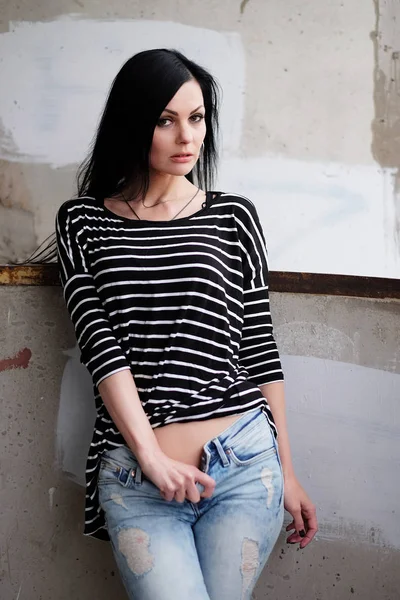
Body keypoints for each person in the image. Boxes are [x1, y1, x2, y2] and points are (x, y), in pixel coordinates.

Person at [54, 48, 318, 600]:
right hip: (139, 478)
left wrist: (288, 472)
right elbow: (101, 349)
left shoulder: (233, 216)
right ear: (134, 122)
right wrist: (151, 457)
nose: (186, 137)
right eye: (165, 119)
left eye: (196, 118)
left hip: (246, 467)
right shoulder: (82, 222)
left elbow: (260, 350)